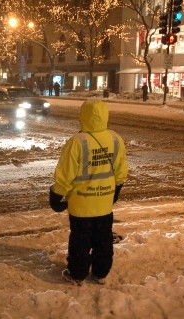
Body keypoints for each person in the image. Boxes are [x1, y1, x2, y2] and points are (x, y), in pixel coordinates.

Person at [49, 99, 128, 286]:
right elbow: (120, 170)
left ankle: (77, 273)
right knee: (103, 239)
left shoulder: (77, 142)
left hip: (81, 204)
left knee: (80, 241)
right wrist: (116, 189)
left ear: (82, 117)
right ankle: (101, 272)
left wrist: (56, 194)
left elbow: (66, 174)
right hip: (104, 203)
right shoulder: (115, 139)